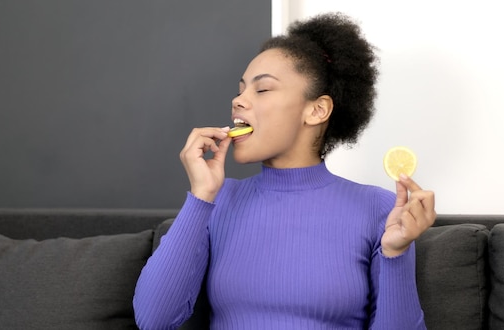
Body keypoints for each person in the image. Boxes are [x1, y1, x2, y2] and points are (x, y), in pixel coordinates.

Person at [133, 12, 436, 329]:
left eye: (261, 90)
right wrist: (201, 196)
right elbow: (153, 320)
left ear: (317, 110)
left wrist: (396, 252)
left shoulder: (380, 209)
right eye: (240, 90)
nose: (238, 100)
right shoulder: (218, 200)